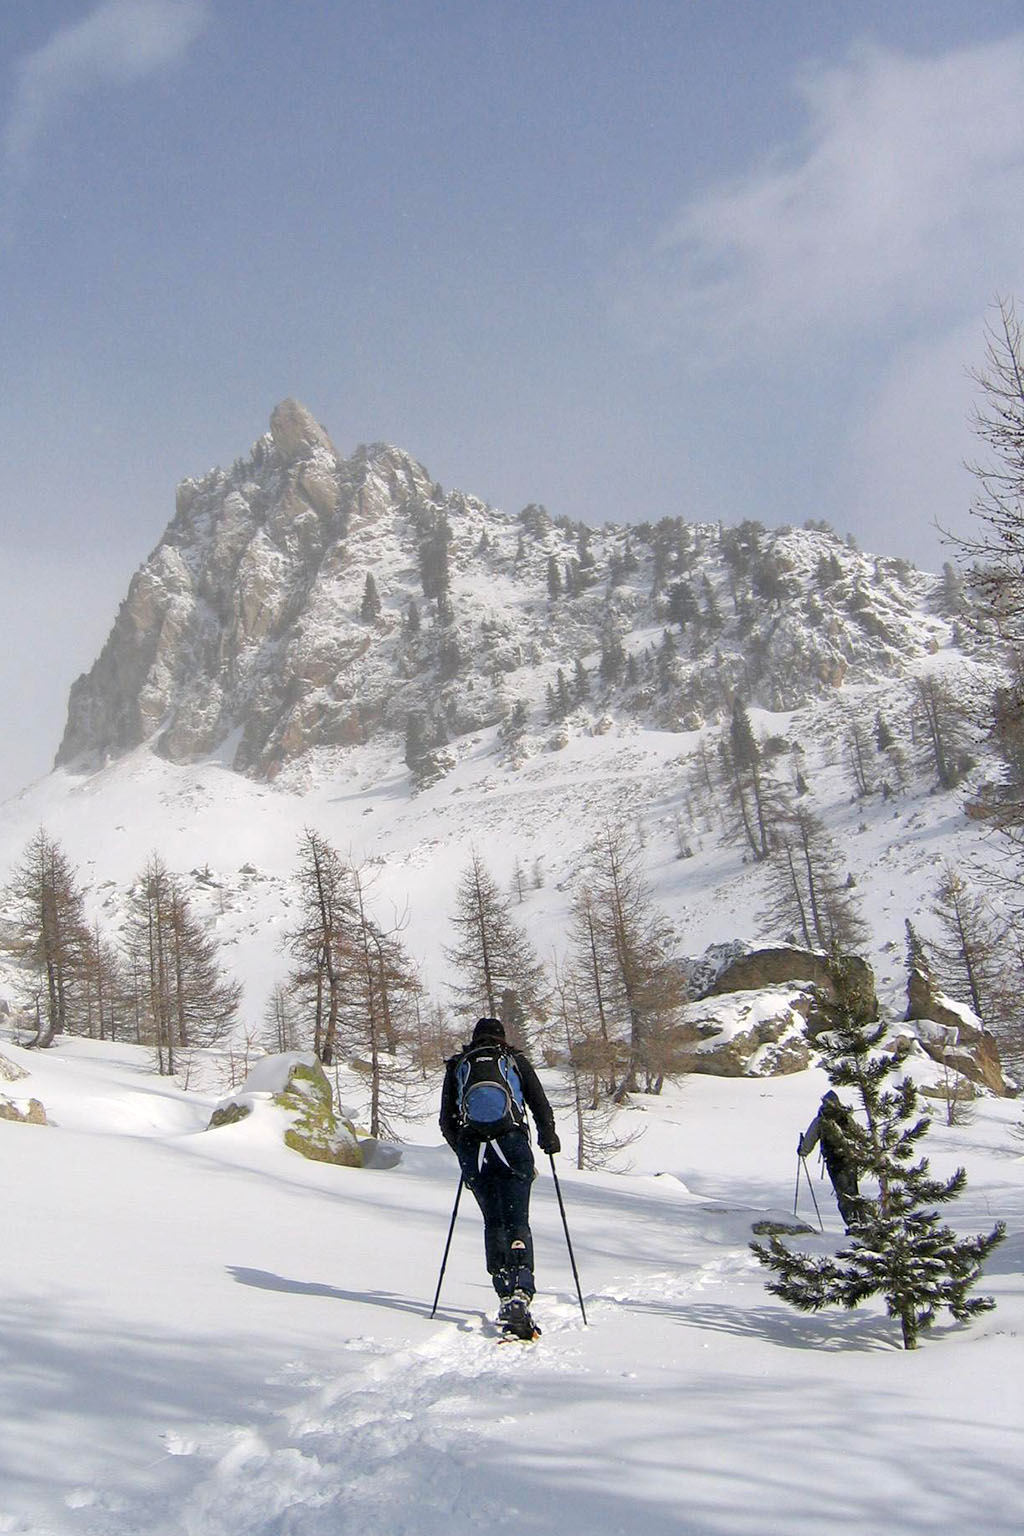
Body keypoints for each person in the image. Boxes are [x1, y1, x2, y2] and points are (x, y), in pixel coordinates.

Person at [439, 1016, 560, 1338]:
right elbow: (539, 1105)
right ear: (502, 1038)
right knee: (517, 1218)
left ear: (475, 1038)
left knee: (492, 1221)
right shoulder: (515, 1061)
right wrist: (548, 1138)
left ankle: (503, 1290)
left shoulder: (458, 1065)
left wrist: (463, 1150)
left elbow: (446, 1120)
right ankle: (522, 1289)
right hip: (512, 1144)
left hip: (474, 1150)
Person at [799, 1089, 865, 1230]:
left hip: (834, 1161)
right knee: (853, 1190)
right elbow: (858, 1135)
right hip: (850, 1159)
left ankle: (852, 1222)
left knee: (842, 1192)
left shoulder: (821, 1119)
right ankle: (862, 1220)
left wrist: (802, 1151)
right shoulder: (845, 1117)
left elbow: (810, 1139)